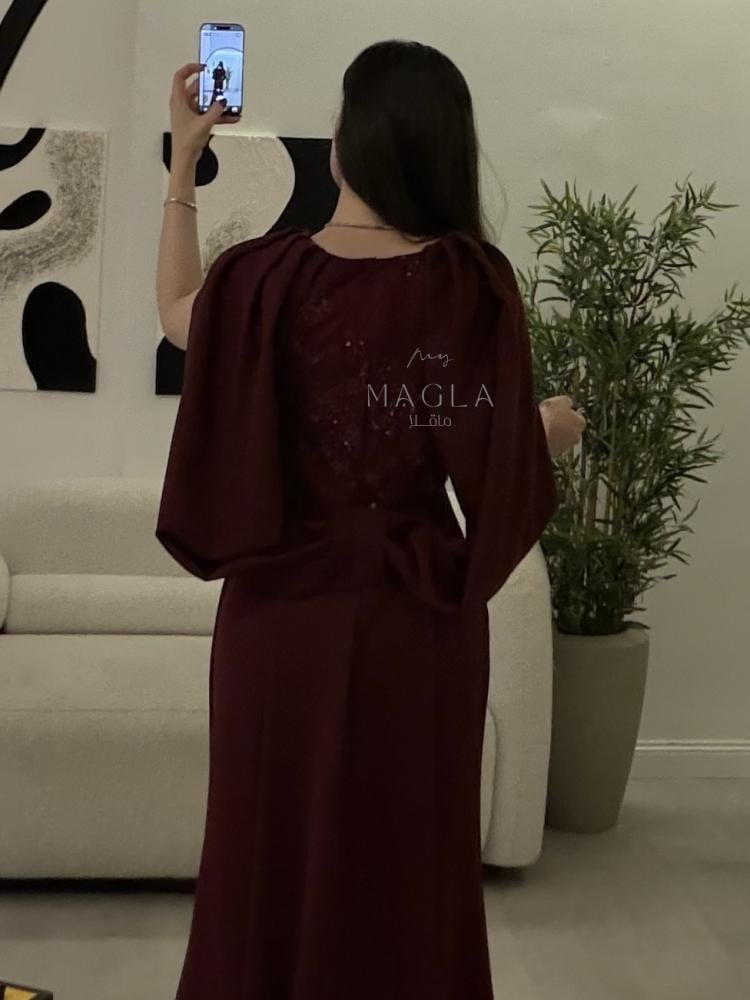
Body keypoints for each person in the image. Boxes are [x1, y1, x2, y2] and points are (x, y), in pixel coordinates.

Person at [155, 41, 585, 1000]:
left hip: (276, 626)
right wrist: (548, 430)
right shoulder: (468, 281)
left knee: (263, 863)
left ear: (344, 144)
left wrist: (184, 163)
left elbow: (177, 313)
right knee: (407, 871)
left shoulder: (260, 280)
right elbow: (491, 450)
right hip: (413, 624)